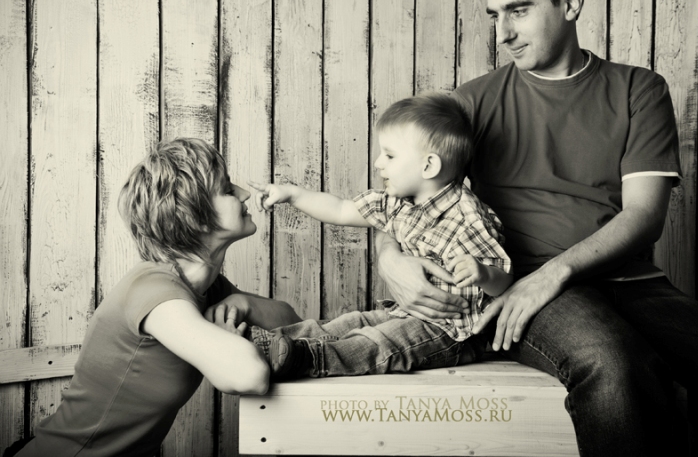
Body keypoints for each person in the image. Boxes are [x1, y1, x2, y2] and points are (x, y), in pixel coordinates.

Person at [375, 0, 698, 457]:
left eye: (519, 10)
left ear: (570, 2)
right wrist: (390, 259)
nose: (504, 33)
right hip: (520, 285)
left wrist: (553, 274)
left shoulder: (639, 89)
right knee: (614, 366)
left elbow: (644, 215)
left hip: (629, 284)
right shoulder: (471, 102)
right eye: (495, 15)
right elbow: (402, 197)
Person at [8, 138, 301, 457]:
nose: (244, 193)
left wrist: (243, 304)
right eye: (227, 190)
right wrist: (232, 341)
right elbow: (250, 376)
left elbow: (293, 323)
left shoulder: (204, 287)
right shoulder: (155, 291)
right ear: (195, 217)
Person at [247, 93, 512, 379]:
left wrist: (483, 273)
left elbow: (504, 283)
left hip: (451, 333)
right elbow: (340, 209)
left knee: (377, 343)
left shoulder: (468, 218)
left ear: (428, 166)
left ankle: (306, 357)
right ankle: (265, 342)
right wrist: (291, 194)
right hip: (406, 313)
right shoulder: (397, 202)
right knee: (352, 322)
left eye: (389, 156)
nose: (377, 163)